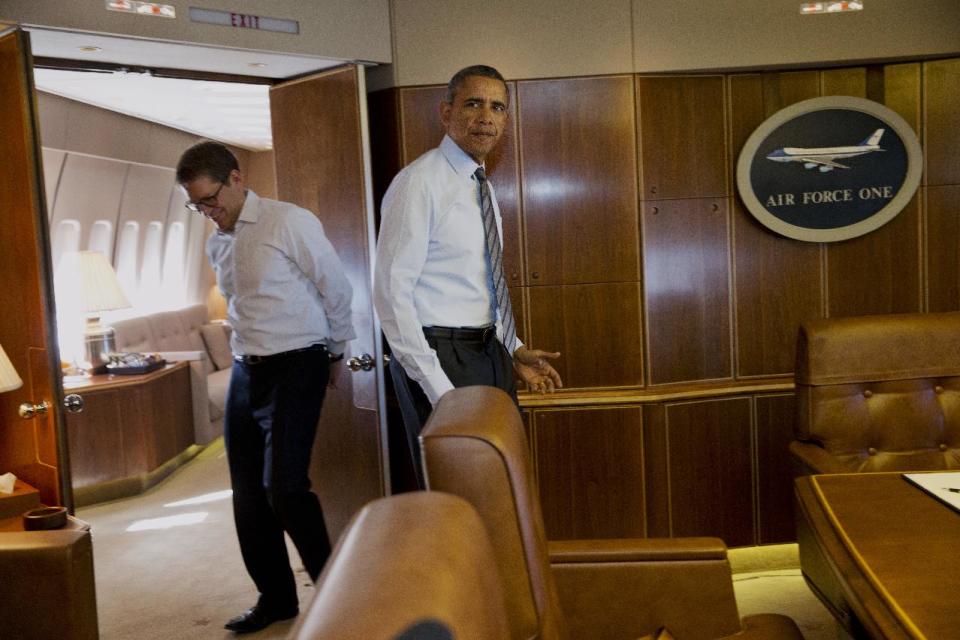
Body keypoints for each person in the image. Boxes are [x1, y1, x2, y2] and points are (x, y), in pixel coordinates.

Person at [176, 141, 355, 634]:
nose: (208, 213)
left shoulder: (289, 221)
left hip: (298, 363)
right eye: (197, 205)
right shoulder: (218, 242)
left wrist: (336, 350)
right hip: (245, 370)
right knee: (248, 493)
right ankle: (276, 598)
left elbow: (336, 288)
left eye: (211, 200)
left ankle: (337, 591)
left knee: (286, 488)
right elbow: (240, 308)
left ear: (236, 179)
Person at [374, 65, 562, 486]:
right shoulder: (418, 184)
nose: (486, 117)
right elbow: (391, 294)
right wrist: (439, 388)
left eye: (497, 107)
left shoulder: (481, 185)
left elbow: (481, 283)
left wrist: (512, 349)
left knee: (499, 482)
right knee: (458, 491)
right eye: (473, 103)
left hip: (488, 352)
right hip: (440, 356)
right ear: (446, 113)